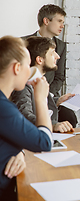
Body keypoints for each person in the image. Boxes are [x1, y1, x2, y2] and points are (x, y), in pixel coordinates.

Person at [0, 36, 53, 200]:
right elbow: (44, 142)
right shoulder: (3, 108)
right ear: (17, 68)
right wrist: (41, 99)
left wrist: (20, 152)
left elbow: (10, 135)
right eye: (27, 65)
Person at [22, 4, 78, 127]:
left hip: (50, 94)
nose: (62, 26)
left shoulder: (61, 46)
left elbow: (60, 76)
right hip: (29, 93)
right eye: (59, 21)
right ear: (46, 21)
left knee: (70, 117)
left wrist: (50, 96)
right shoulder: (23, 43)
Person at [11, 36, 74, 133]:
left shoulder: (39, 80)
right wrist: (52, 125)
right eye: (52, 53)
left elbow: (33, 102)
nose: (58, 56)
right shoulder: (24, 85)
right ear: (39, 60)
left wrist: (57, 101)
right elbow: (24, 115)